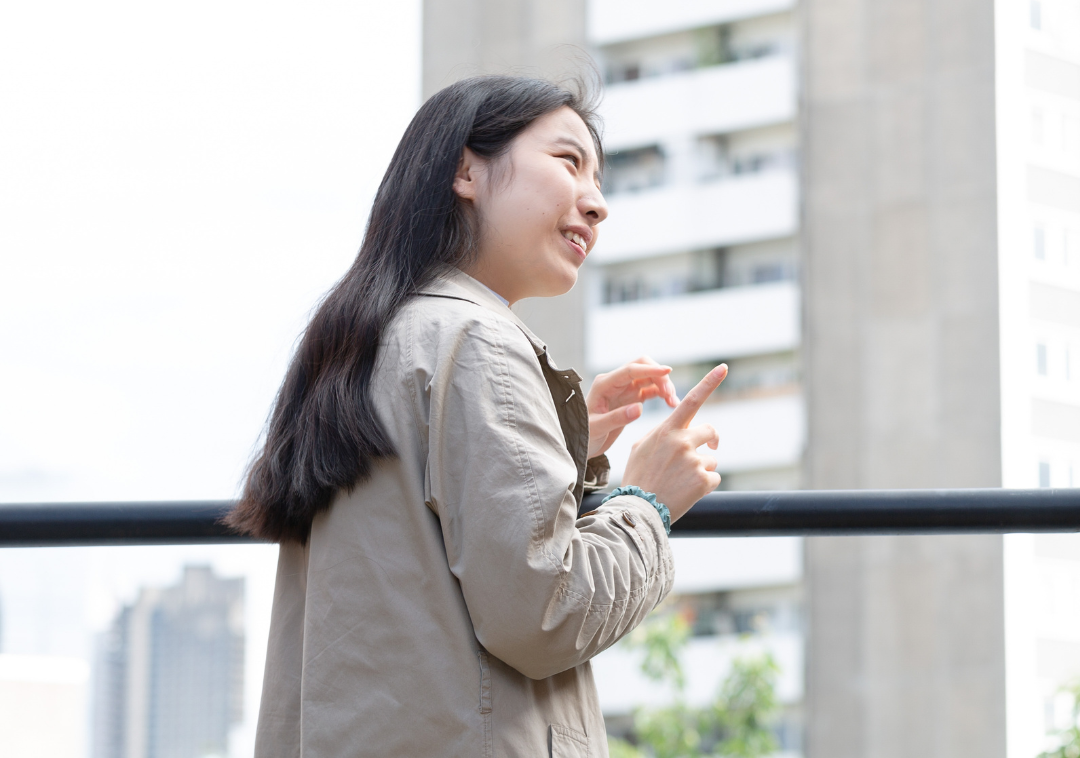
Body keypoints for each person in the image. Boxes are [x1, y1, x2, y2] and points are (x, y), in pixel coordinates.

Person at [229, 75, 722, 757]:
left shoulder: (364, 340)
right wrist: (648, 501)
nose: (598, 203)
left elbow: (417, 548)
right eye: (568, 161)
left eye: (599, 178)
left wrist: (563, 448)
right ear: (466, 169)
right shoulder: (478, 341)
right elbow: (544, 611)